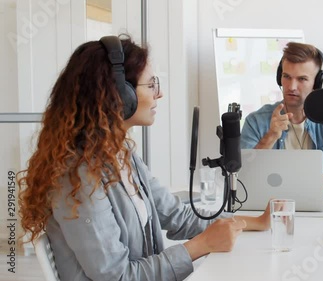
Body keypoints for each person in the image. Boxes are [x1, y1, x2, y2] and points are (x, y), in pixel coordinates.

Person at [17, 35, 271, 281]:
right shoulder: (78, 178)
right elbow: (117, 276)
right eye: (150, 85)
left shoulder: (122, 155)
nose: (158, 94)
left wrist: (256, 222)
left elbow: (177, 217)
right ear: (119, 95)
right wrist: (200, 246)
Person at [241, 42, 323, 191]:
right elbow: (243, 174)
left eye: (302, 79)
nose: (292, 86)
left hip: (316, 207)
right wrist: (270, 136)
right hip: (270, 204)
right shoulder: (255, 121)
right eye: (286, 76)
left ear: (317, 82)